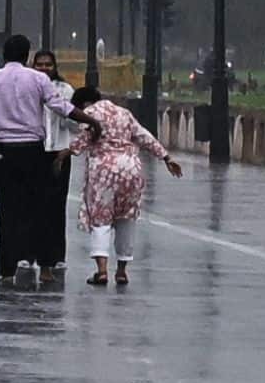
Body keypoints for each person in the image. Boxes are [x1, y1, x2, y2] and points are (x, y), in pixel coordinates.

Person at [0, 34, 99, 286]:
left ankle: (7, 270)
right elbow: (62, 107)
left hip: (4, 152)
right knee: (39, 208)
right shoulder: (38, 79)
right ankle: (46, 266)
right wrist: (91, 120)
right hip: (33, 151)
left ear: (3, 54)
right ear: (27, 55)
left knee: (8, 212)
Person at [66, 87, 183, 285]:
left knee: (101, 217)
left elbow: (85, 138)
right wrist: (166, 157)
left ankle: (102, 271)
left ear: (84, 104)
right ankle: (121, 272)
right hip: (131, 168)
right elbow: (144, 136)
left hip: (104, 170)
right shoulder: (124, 113)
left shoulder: (90, 113)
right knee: (126, 218)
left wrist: (67, 152)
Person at [33, 49, 77, 271]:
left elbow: (75, 124)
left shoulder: (65, 90)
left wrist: (63, 110)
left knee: (57, 205)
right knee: (32, 203)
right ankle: (30, 253)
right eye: (39, 64)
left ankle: (57, 255)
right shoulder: (28, 87)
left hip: (59, 152)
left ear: (55, 66)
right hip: (34, 150)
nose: (44, 68)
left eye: (48, 64)